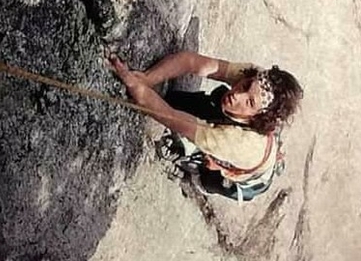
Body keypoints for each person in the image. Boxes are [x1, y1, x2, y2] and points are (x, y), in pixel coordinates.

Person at [108, 51, 303, 200]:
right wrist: (148, 78)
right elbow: (191, 62)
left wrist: (135, 87)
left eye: (249, 102)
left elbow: (169, 117)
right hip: (243, 131)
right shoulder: (257, 80)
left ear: (258, 117)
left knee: (208, 172)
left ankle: (196, 170)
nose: (238, 95)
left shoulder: (239, 143)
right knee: (177, 100)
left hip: (245, 169)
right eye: (244, 86)